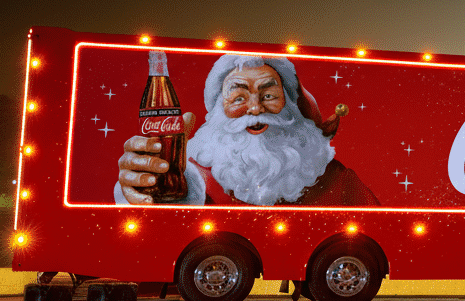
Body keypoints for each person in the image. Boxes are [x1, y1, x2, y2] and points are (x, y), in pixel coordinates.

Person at [116, 54, 378, 206]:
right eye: (239, 97)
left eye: (269, 94)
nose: (255, 108)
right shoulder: (191, 177)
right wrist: (140, 188)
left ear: (290, 105)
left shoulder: (339, 181)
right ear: (219, 109)